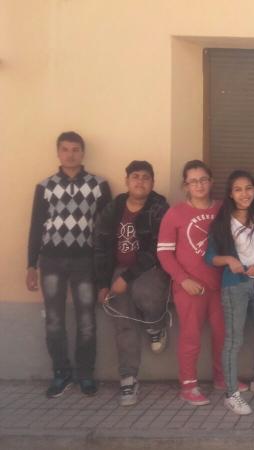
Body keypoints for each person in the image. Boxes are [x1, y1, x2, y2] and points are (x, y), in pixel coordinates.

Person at [26, 131, 112, 398]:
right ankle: (61, 374)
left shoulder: (99, 185)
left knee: (86, 319)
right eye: (65, 149)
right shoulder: (45, 186)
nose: (70, 154)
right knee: (54, 320)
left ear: (83, 153)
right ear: (58, 153)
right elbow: (36, 226)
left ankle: (85, 374)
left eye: (75, 149)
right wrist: (31, 265)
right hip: (51, 261)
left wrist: (105, 268)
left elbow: (106, 230)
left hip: (85, 261)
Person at [157, 160, 239, 406]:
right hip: (190, 288)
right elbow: (164, 253)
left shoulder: (223, 209)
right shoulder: (175, 213)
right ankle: (188, 385)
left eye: (203, 179)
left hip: (221, 285)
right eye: (193, 181)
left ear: (211, 182)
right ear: (186, 186)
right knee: (190, 337)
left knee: (223, 335)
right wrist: (183, 280)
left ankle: (222, 378)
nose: (199, 185)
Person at [93, 160, 170, 406]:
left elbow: (156, 249)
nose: (140, 181)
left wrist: (126, 278)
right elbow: (101, 248)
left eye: (146, 177)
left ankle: (156, 325)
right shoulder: (113, 208)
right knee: (123, 321)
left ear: (153, 183)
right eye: (135, 176)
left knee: (143, 291)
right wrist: (103, 284)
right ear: (126, 181)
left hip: (150, 269)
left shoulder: (159, 207)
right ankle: (128, 378)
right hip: (118, 269)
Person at [207, 170, 254, 415]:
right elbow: (210, 256)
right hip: (235, 287)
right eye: (238, 189)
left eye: (248, 188)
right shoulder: (222, 222)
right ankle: (231, 394)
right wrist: (229, 260)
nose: (244, 194)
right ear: (230, 194)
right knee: (234, 341)